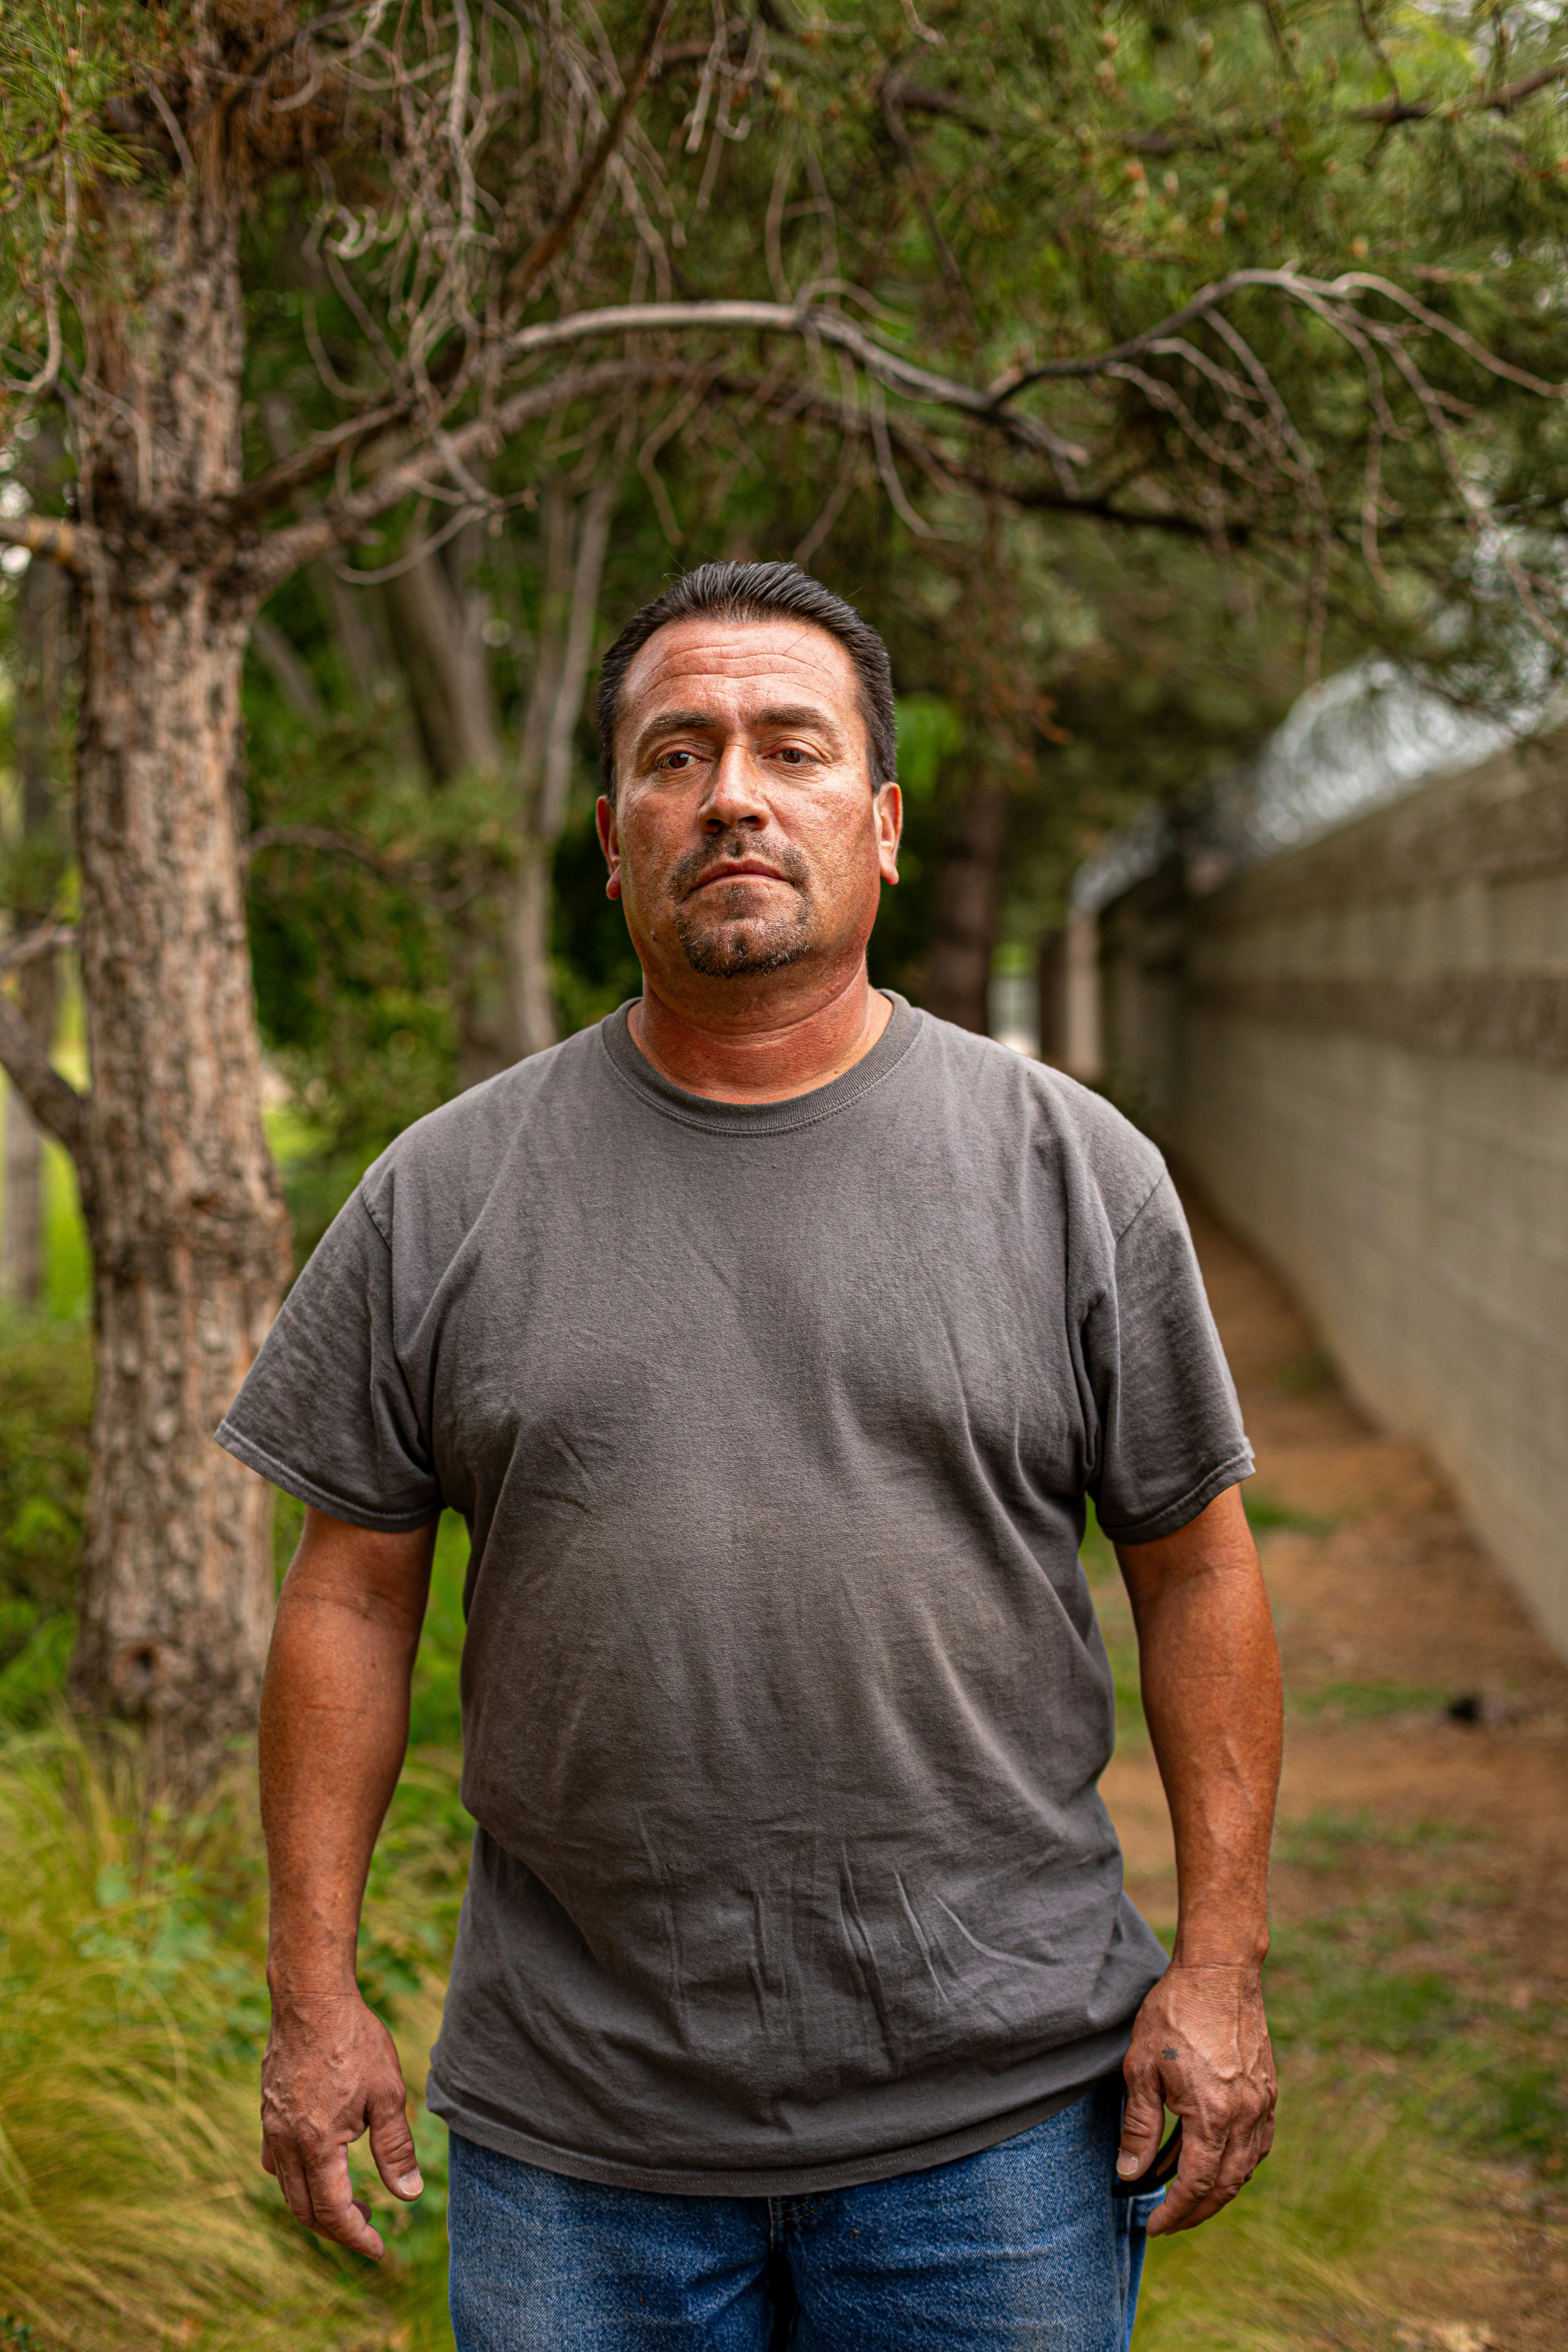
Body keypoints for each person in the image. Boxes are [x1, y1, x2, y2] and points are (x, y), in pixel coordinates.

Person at [219, 560, 1282, 2352]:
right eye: (675, 753)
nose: (732, 791)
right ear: (615, 840)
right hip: (580, 2128)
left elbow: (1199, 1571)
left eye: (790, 748)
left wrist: (1225, 1971)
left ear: (876, 826)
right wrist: (313, 2000)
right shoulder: (444, 1196)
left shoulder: (1070, 1172)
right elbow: (346, 1596)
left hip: (998, 2116)